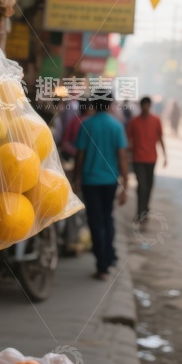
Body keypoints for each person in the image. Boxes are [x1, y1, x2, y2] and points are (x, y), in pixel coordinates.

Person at [74, 95, 128, 281]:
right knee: (107, 218)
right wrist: (125, 185)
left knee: (96, 222)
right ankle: (109, 257)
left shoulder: (87, 124)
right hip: (109, 181)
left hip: (90, 181)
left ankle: (102, 265)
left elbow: (79, 156)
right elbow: (122, 156)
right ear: (110, 104)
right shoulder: (116, 126)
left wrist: (76, 179)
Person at [126, 96, 166, 220]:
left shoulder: (156, 120)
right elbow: (129, 139)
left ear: (149, 106)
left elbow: (160, 138)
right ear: (140, 106)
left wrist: (165, 156)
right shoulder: (134, 121)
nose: (145, 108)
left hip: (151, 159)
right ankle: (140, 212)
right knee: (142, 186)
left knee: (149, 186)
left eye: (147, 105)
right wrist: (128, 154)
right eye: (143, 105)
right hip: (138, 159)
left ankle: (145, 208)